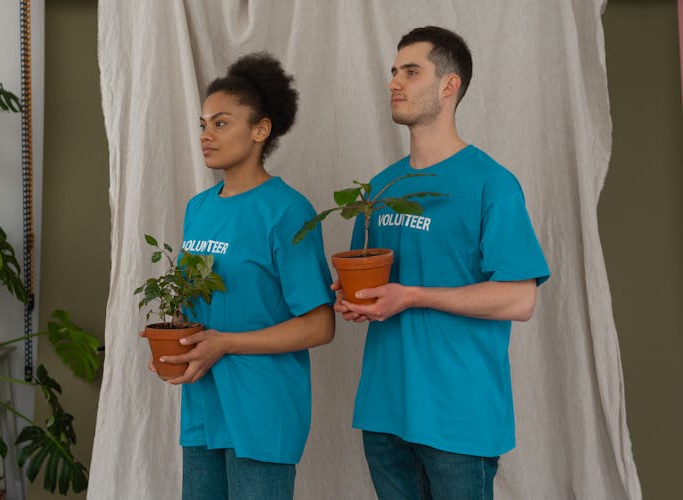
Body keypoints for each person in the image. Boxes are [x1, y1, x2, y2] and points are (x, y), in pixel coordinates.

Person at [333, 26, 550, 500]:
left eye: (411, 72)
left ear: (449, 86)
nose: (394, 83)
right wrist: (356, 303)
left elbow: (520, 298)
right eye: (393, 72)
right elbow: (368, 284)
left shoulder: (491, 183)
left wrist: (410, 296)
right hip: (385, 410)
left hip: (458, 417)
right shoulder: (378, 191)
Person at [152, 52, 335, 500]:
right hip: (203, 406)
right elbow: (196, 297)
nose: (206, 136)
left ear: (260, 130)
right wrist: (176, 337)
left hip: (262, 409)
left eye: (221, 123)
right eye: (202, 124)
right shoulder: (200, 208)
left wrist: (226, 343)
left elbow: (319, 324)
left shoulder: (288, 212)